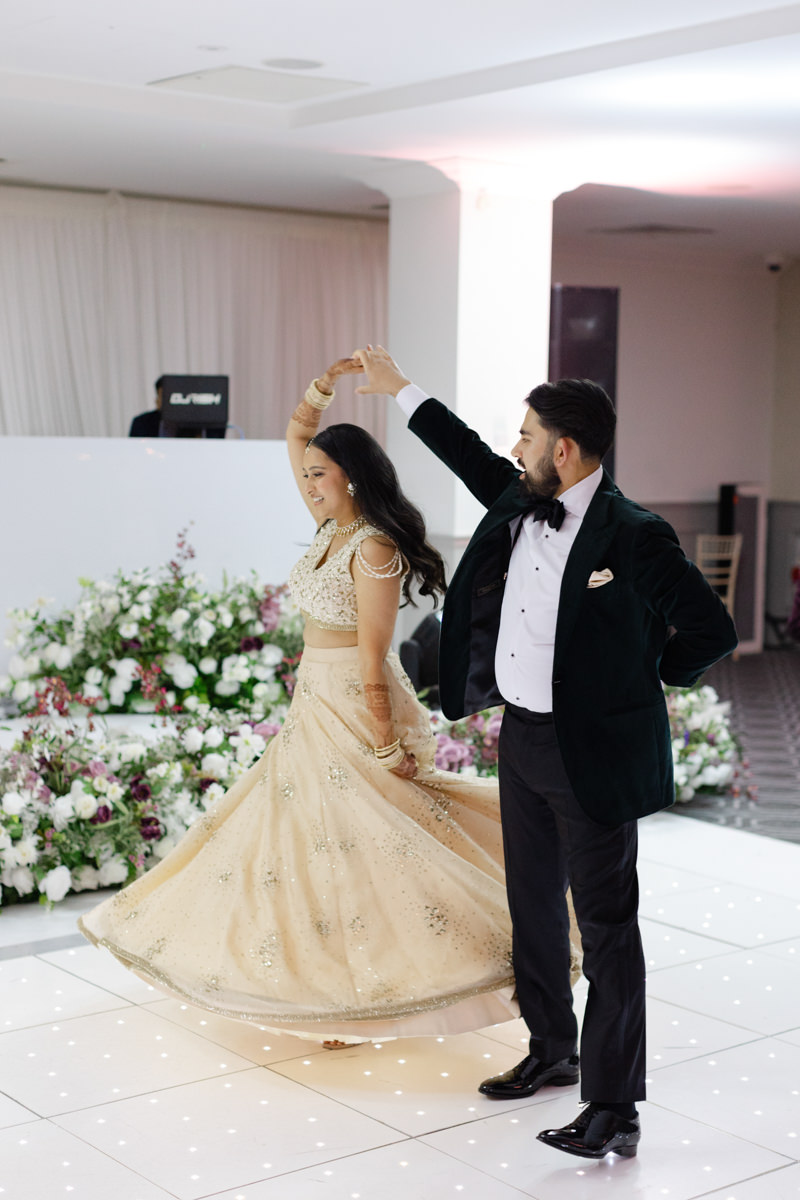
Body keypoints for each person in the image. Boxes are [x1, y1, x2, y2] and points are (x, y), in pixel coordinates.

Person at [80, 358, 542, 1043]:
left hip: (354, 703)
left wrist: (383, 739)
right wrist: (321, 386)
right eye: (307, 477)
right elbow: (299, 438)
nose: (308, 484)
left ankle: (394, 982)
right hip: (313, 696)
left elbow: (373, 655)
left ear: (349, 478)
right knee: (309, 843)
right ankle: (321, 988)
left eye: (319, 475)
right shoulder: (330, 527)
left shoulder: (373, 547)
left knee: (367, 841)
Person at [354, 345, 738, 1157]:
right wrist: (399, 389)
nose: (515, 447)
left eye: (527, 436)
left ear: (563, 449)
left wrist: (645, 676)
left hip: (592, 753)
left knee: (607, 931)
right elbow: (463, 449)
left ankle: (614, 1108)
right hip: (522, 739)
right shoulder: (519, 498)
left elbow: (711, 630)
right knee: (531, 908)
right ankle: (553, 1050)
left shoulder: (635, 535)